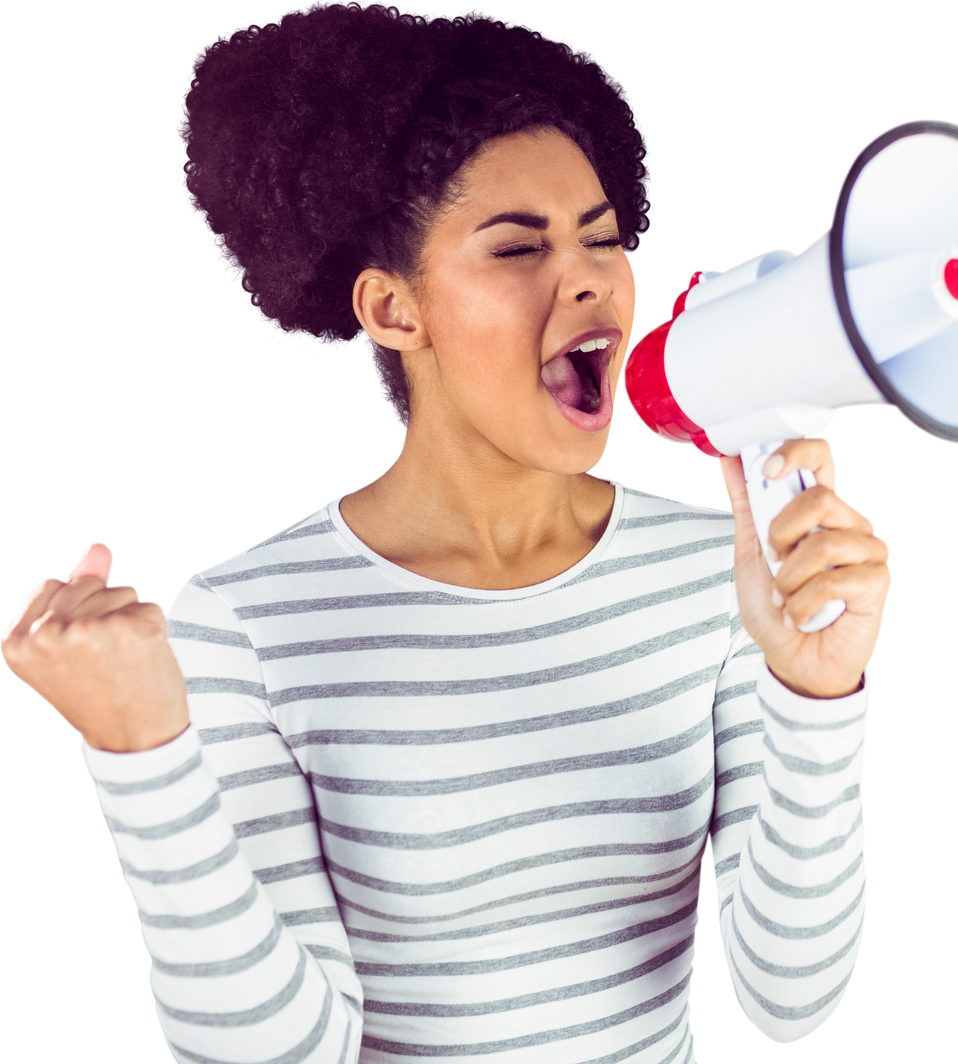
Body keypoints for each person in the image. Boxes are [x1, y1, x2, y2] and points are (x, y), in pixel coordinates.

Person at [1, 2, 891, 1060]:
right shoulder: (247, 619)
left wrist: (818, 694)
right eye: (518, 247)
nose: (591, 276)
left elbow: (791, 999)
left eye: (602, 236)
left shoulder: (725, 573)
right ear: (393, 309)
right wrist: (143, 754)